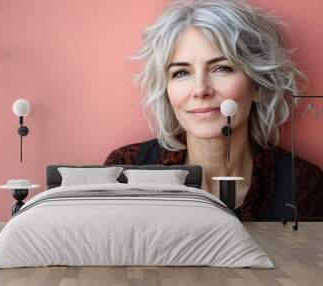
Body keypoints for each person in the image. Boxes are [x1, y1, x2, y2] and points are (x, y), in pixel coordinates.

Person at [104, 0, 323, 221]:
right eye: (181, 73)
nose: (200, 90)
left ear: (257, 85)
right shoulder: (124, 172)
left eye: (222, 68)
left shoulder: (304, 188)